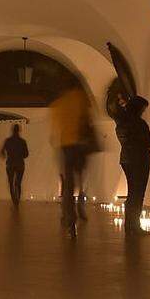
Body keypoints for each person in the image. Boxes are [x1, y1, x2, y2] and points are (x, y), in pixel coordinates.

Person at [50, 86, 97, 238]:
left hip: (66, 146)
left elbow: (54, 132)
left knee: (68, 184)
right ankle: (81, 208)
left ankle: (69, 218)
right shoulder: (80, 97)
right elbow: (88, 120)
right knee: (81, 179)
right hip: (81, 145)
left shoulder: (57, 104)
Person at [113, 96, 150, 236]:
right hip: (139, 160)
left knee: (132, 193)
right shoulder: (139, 123)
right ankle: (135, 226)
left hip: (126, 159)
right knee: (138, 194)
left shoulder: (121, 123)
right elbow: (144, 141)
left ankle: (129, 225)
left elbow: (128, 140)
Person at [0, 123, 29, 207]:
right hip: (20, 164)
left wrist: (6, 156)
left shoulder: (8, 141)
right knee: (18, 183)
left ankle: (14, 200)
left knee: (11, 183)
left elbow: (1, 152)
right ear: (19, 130)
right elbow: (26, 154)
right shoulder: (22, 142)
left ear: (12, 130)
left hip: (10, 164)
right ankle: (17, 200)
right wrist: (20, 155)